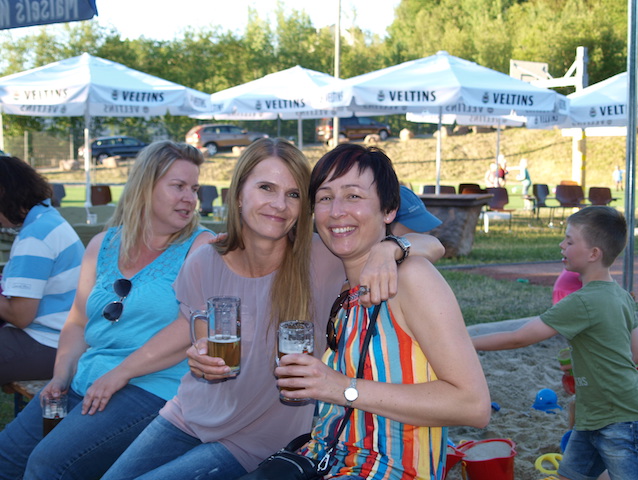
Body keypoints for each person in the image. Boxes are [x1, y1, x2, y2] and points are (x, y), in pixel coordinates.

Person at [101, 138, 444, 480]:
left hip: (258, 440)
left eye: (293, 194)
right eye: (266, 188)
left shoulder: (323, 256)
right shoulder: (205, 260)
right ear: (238, 194)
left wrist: (390, 248)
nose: (279, 204)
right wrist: (201, 362)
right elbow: (204, 347)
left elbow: (433, 244)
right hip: (188, 414)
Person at [274, 143, 491, 479]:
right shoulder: (344, 287)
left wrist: (341, 387)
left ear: (388, 210)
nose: (336, 211)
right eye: (325, 197)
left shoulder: (412, 278)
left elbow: (473, 405)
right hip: (324, 460)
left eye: (353, 196)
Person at [0, 141, 215, 479]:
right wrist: (61, 375)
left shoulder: (201, 247)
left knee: (49, 465)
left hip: (153, 385)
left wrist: (121, 372)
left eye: (194, 189)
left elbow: (190, 325)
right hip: (89, 377)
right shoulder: (103, 244)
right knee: (7, 456)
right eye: (178, 186)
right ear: (144, 186)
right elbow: (77, 321)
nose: (190, 198)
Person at [472, 206, 638, 480]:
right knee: (570, 475)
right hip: (597, 414)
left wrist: (468, 342)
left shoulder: (581, 301)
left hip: (618, 419)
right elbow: (635, 352)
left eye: (570, 241)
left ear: (593, 254)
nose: (562, 244)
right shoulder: (622, 296)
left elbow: (519, 337)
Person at [0, 155, 85, 384]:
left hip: (50, 344)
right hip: (63, 339)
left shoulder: (35, 236)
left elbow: (20, 316)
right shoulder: (47, 219)